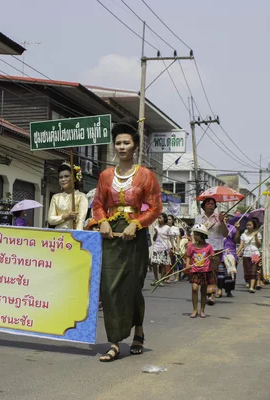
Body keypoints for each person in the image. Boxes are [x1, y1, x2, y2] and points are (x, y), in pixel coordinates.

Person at [90, 117, 162, 362]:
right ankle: (114, 342)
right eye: (118, 143)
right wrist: (103, 221)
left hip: (135, 237)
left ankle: (138, 331)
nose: (121, 147)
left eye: (126, 143)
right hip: (110, 236)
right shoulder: (105, 176)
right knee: (109, 290)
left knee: (132, 289)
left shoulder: (146, 176)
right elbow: (97, 205)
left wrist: (136, 223)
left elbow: (155, 208)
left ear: (135, 147)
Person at [195, 198, 228, 305]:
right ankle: (205, 292)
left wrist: (222, 221)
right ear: (204, 206)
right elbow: (195, 234)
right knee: (203, 271)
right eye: (208, 203)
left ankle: (211, 294)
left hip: (216, 248)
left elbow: (225, 234)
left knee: (212, 271)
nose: (210, 205)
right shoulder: (199, 218)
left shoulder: (219, 218)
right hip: (202, 248)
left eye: (212, 204)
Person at [47, 162, 88, 230]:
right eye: (60, 177)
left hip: (73, 236)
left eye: (66, 176)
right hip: (58, 237)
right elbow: (50, 220)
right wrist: (66, 216)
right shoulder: (56, 197)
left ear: (74, 179)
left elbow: (81, 221)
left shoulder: (81, 197)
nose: (63, 179)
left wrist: (76, 237)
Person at [185, 224, 215, 318]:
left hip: (205, 271)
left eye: (197, 234)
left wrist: (212, 257)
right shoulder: (192, 247)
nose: (195, 236)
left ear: (203, 235)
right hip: (195, 271)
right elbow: (188, 256)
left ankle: (202, 310)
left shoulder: (208, 247)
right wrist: (187, 265)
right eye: (195, 234)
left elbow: (213, 257)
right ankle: (194, 310)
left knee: (203, 291)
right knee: (194, 288)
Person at [238, 218, 262, 294]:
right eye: (247, 225)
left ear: (253, 226)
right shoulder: (243, 235)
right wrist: (238, 252)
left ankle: (252, 287)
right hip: (246, 254)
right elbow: (241, 245)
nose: (248, 226)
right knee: (247, 270)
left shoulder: (257, 234)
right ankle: (249, 284)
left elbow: (259, 245)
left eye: (250, 225)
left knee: (254, 270)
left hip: (255, 254)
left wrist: (255, 237)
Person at [217, 215, 238, 298]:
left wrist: (238, 230)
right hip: (220, 252)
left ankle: (228, 290)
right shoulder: (217, 227)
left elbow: (236, 240)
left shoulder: (232, 228)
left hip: (230, 252)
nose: (224, 218)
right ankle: (219, 289)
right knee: (220, 273)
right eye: (222, 216)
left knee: (230, 273)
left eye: (226, 216)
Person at [150, 213, 171, 286]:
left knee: (162, 264)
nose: (159, 219)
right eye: (158, 218)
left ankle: (161, 280)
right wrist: (156, 233)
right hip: (156, 247)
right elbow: (154, 239)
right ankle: (156, 278)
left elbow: (170, 237)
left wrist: (173, 247)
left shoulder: (167, 228)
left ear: (164, 219)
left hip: (164, 247)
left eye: (160, 218)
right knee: (154, 263)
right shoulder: (156, 227)